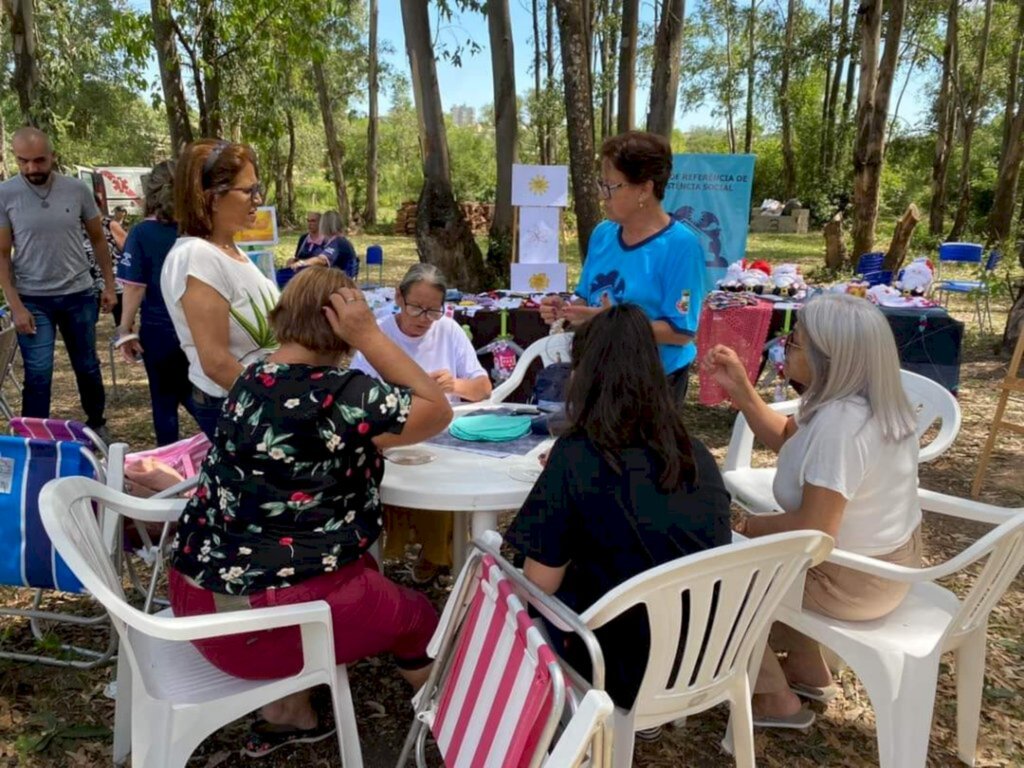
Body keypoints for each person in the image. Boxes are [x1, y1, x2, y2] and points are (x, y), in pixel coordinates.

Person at [168, 268, 452, 757]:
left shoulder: (252, 375)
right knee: (419, 615)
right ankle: (453, 726)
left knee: (355, 565)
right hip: (255, 627)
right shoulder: (345, 394)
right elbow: (437, 409)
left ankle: (288, 713)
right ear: (340, 323)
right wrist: (369, 336)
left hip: (193, 600)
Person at [703, 292, 922, 729]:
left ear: (828, 357)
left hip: (852, 582)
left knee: (708, 568)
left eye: (796, 342)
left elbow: (814, 530)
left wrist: (750, 527)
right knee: (753, 550)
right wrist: (744, 393)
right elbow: (789, 438)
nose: (785, 347)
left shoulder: (843, 425)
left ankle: (773, 697)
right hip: (887, 565)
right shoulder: (859, 400)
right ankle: (807, 667)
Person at [506, 303, 732, 711]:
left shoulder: (576, 456)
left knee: (497, 581)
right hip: (708, 652)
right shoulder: (693, 452)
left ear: (584, 375)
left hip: (620, 666)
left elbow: (538, 585)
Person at [538, 130, 707, 402]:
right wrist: (566, 308)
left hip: (652, 384)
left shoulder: (681, 247)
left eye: (611, 187)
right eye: (600, 185)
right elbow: (586, 295)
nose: (602, 195)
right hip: (598, 372)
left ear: (645, 188)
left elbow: (680, 332)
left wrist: (611, 322)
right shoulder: (603, 234)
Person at [350, 263, 492, 583]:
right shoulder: (380, 335)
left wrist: (453, 385)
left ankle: (436, 556)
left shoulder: (449, 330)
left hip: (444, 437)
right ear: (399, 297)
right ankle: (397, 554)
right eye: (416, 308)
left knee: (442, 479)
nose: (424, 320)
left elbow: (483, 389)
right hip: (395, 436)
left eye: (433, 311)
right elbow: (359, 396)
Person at [161, 139, 280, 440]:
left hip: (256, 399)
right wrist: (283, 404)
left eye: (258, 188)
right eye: (248, 190)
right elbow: (215, 363)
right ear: (213, 198)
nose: (258, 198)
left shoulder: (230, 251)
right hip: (237, 404)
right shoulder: (197, 257)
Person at [0, 127, 115, 439]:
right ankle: (34, 437)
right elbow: (2, 257)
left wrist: (108, 284)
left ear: (52, 156)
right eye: (24, 162)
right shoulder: (5, 194)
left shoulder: (76, 190)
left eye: (39, 161)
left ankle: (97, 424)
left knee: (87, 365)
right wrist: (17, 307)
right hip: (33, 299)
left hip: (78, 293)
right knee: (38, 373)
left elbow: (99, 240)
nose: (31, 169)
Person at [116, 160, 198, 446]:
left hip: (160, 329)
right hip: (200, 326)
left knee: (164, 403)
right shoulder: (197, 230)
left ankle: (169, 465)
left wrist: (125, 329)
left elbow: (134, 287)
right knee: (198, 392)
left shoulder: (141, 233)